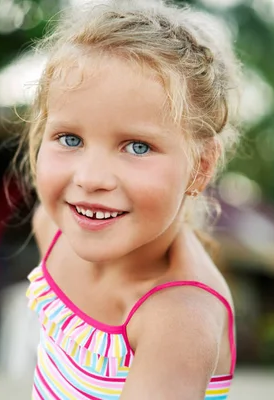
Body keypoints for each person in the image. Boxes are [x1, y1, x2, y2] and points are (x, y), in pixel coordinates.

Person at [14, 1, 242, 398]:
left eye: (137, 147)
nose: (91, 179)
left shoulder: (179, 320)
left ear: (201, 167)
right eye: (70, 139)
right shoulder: (51, 230)